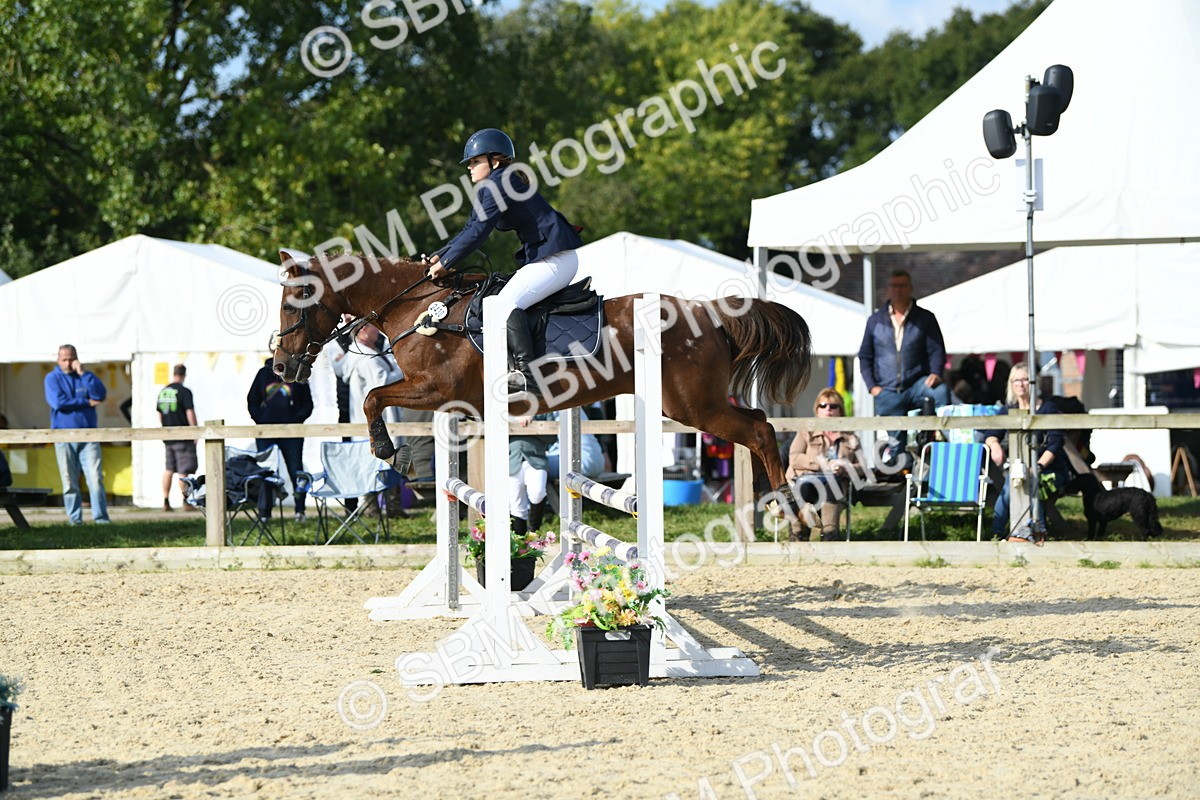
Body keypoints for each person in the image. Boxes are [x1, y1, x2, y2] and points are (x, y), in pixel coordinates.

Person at [424, 128, 584, 399]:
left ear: (494, 161)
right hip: (547, 255)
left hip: (556, 256)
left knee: (502, 305)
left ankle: (527, 376)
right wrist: (439, 255)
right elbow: (470, 227)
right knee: (500, 301)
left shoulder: (499, 183)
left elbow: (478, 233)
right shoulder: (494, 184)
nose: (470, 168)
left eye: (475, 162)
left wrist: (448, 263)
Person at [858, 269, 949, 465]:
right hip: (888, 389)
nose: (898, 290)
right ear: (888, 290)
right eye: (894, 285)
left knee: (941, 393)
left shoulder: (925, 318)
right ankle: (897, 478)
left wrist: (935, 373)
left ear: (911, 288)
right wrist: (873, 387)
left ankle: (944, 443)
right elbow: (865, 356)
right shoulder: (875, 320)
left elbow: (937, 350)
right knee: (896, 446)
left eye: (902, 285)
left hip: (917, 383)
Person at [982, 363, 1069, 544]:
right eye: (1016, 380)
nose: (1020, 384)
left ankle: (1034, 533)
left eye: (1024, 379)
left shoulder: (1047, 408)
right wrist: (995, 445)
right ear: (1010, 384)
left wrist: (1037, 467)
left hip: (1049, 470)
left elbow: (1055, 443)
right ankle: (998, 535)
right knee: (1010, 485)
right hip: (1019, 470)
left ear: (1032, 382)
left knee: (1027, 483)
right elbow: (990, 435)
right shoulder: (1007, 409)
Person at [784, 387, 866, 541]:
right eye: (823, 406)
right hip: (805, 482)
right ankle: (798, 537)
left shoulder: (851, 437)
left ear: (841, 410)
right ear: (817, 410)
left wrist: (844, 468)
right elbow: (794, 459)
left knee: (832, 488)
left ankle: (829, 537)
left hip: (836, 486)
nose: (828, 409)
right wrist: (822, 463)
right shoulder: (805, 432)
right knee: (802, 489)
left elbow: (863, 468)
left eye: (833, 406)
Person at [342, 323, 405, 518]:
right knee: (375, 464)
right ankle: (372, 508)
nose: (377, 330)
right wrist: (403, 369)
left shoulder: (369, 352)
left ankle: (392, 506)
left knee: (388, 462)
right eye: (372, 327)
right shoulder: (364, 357)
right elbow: (382, 383)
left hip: (380, 418)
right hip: (377, 420)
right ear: (362, 331)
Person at [43, 344, 109, 525]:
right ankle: (75, 521)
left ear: (77, 358)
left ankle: (101, 519)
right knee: (69, 481)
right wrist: (86, 402)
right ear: (58, 360)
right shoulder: (52, 378)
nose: (68, 362)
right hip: (63, 436)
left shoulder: (86, 377)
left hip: (88, 435)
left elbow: (101, 395)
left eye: (71, 358)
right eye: (64, 359)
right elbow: (58, 402)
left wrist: (84, 374)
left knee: (95, 478)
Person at [247, 357, 313, 522]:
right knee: (265, 471)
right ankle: (265, 512)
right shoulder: (263, 374)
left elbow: (307, 404)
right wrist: (261, 421)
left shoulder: (298, 373)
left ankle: (300, 510)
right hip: (266, 432)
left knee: (296, 469)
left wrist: (294, 422)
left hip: (291, 433)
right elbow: (252, 400)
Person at [156, 364, 198, 511]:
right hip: (183, 436)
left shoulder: (163, 391)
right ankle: (186, 502)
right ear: (184, 375)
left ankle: (166, 501)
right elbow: (190, 413)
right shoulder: (185, 392)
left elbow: (160, 414)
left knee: (168, 469)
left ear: (173, 374)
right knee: (183, 471)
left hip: (168, 436)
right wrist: (195, 431)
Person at [510, 414, 555, 533]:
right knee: (516, 503)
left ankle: (534, 533)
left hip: (537, 459)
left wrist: (533, 423)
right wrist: (515, 420)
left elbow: (553, 437)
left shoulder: (545, 409)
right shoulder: (507, 405)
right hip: (511, 460)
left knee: (538, 493)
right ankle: (519, 542)